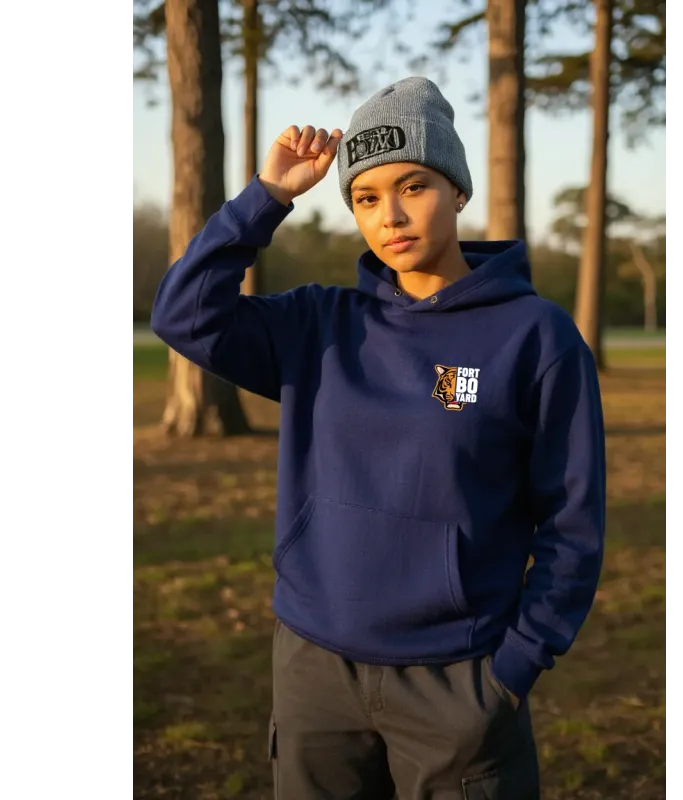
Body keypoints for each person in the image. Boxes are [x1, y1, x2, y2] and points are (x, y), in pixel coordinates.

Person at [151, 76, 606, 800]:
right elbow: (184, 315)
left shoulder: (536, 337)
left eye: (414, 186)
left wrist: (513, 669)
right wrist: (267, 196)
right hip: (314, 670)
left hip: (457, 678)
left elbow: (573, 524)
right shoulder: (318, 327)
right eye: (366, 197)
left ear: (457, 191)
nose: (390, 215)